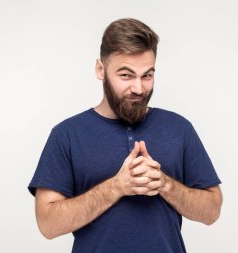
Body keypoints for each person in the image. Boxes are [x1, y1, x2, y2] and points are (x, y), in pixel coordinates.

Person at [28, 18, 222, 253]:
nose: (139, 89)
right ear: (101, 69)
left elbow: (212, 211)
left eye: (147, 75)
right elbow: (48, 224)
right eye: (126, 75)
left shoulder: (179, 129)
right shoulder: (66, 135)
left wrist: (164, 184)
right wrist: (116, 187)